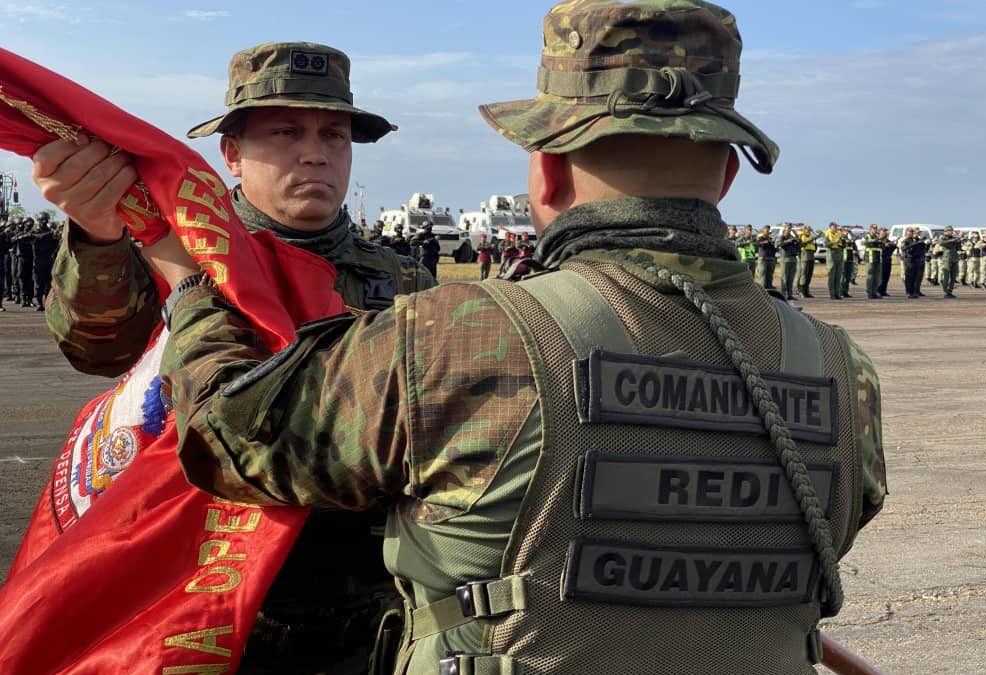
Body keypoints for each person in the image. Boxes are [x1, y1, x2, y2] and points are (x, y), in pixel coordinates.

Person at [133, 3, 886, 673]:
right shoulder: (838, 369)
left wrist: (189, 282)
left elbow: (233, 437)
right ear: (725, 176)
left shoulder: (461, 336)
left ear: (546, 174)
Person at [31, 41, 434, 674]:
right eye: (285, 132)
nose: (315, 153)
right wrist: (97, 234)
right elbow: (95, 346)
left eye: (333, 135)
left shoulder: (405, 282)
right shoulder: (178, 254)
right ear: (232, 154)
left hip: (363, 609)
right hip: (201, 603)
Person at [775, 222, 799, 300]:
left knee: (791, 278)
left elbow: (799, 245)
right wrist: (787, 241)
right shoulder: (781, 237)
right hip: (785, 259)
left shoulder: (792, 237)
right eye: (788, 228)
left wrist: (797, 238)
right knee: (785, 278)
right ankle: (783, 294)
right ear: (785, 229)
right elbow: (777, 244)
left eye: (790, 228)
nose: (789, 230)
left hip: (793, 259)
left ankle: (790, 294)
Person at [936, 225, 961, 298]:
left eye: (951, 230)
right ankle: (945, 291)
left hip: (954, 258)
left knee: (953, 276)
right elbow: (942, 243)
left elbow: (958, 248)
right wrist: (953, 240)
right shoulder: (943, 237)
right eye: (949, 230)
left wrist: (958, 241)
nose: (951, 232)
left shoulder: (954, 238)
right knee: (946, 276)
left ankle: (950, 291)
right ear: (946, 231)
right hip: (946, 259)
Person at [823, 221, 844, 299]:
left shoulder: (839, 234)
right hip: (831, 254)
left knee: (838, 276)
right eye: (834, 226)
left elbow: (843, 244)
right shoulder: (827, 234)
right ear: (830, 227)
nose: (836, 228)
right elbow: (826, 244)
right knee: (832, 276)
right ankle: (832, 294)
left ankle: (837, 293)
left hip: (839, 254)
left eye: (836, 226)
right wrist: (835, 242)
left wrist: (843, 242)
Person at [862, 224, 883, 300]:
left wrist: (881, 241)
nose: (875, 230)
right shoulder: (867, 236)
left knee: (877, 277)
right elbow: (863, 243)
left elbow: (882, 246)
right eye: (873, 229)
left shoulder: (878, 237)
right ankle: (870, 293)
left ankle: (875, 292)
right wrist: (872, 241)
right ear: (870, 229)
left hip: (878, 259)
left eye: (876, 228)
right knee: (870, 277)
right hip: (870, 259)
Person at [754, 224, 776, 289]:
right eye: (766, 230)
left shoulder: (771, 239)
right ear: (763, 231)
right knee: (762, 276)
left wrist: (773, 243)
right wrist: (764, 242)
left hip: (771, 258)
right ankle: (762, 290)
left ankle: (769, 289)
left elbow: (775, 249)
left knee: (770, 275)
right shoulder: (760, 238)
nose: (767, 232)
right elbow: (757, 244)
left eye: (768, 231)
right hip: (763, 258)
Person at [797, 223, 817, 298]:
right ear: (804, 230)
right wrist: (810, 240)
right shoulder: (802, 236)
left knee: (809, 275)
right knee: (803, 274)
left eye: (809, 230)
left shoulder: (811, 237)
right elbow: (802, 244)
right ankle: (801, 290)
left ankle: (806, 290)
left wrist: (813, 234)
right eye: (807, 230)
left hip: (811, 256)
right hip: (804, 257)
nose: (808, 231)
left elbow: (815, 246)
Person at [878, 228, 896, 297]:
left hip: (888, 259)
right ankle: (879, 290)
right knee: (881, 276)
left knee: (886, 276)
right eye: (883, 233)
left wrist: (891, 245)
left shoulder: (888, 241)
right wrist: (884, 245)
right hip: (881, 259)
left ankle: (884, 290)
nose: (884, 234)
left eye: (885, 233)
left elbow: (893, 247)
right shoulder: (878, 241)